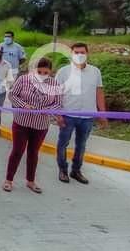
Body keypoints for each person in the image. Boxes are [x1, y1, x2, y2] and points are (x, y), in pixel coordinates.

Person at [3, 58, 61, 194]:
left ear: (50, 72)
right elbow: (12, 95)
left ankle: (30, 181)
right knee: (17, 151)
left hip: (41, 125)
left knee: (33, 153)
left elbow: (58, 103)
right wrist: (24, 105)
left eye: (45, 72)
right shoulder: (24, 79)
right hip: (21, 122)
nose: (41, 75)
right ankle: (8, 180)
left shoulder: (54, 84)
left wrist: (49, 110)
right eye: (39, 72)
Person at [55, 42, 107, 185]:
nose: (79, 55)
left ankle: (76, 170)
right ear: (71, 54)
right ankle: (63, 170)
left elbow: (99, 92)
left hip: (87, 117)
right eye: (76, 52)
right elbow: (56, 94)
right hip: (68, 115)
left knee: (81, 145)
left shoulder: (95, 72)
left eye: (82, 52)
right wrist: (58, 114)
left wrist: (102, 114)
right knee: (63, 143)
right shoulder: (63, 72)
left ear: (87, 53)